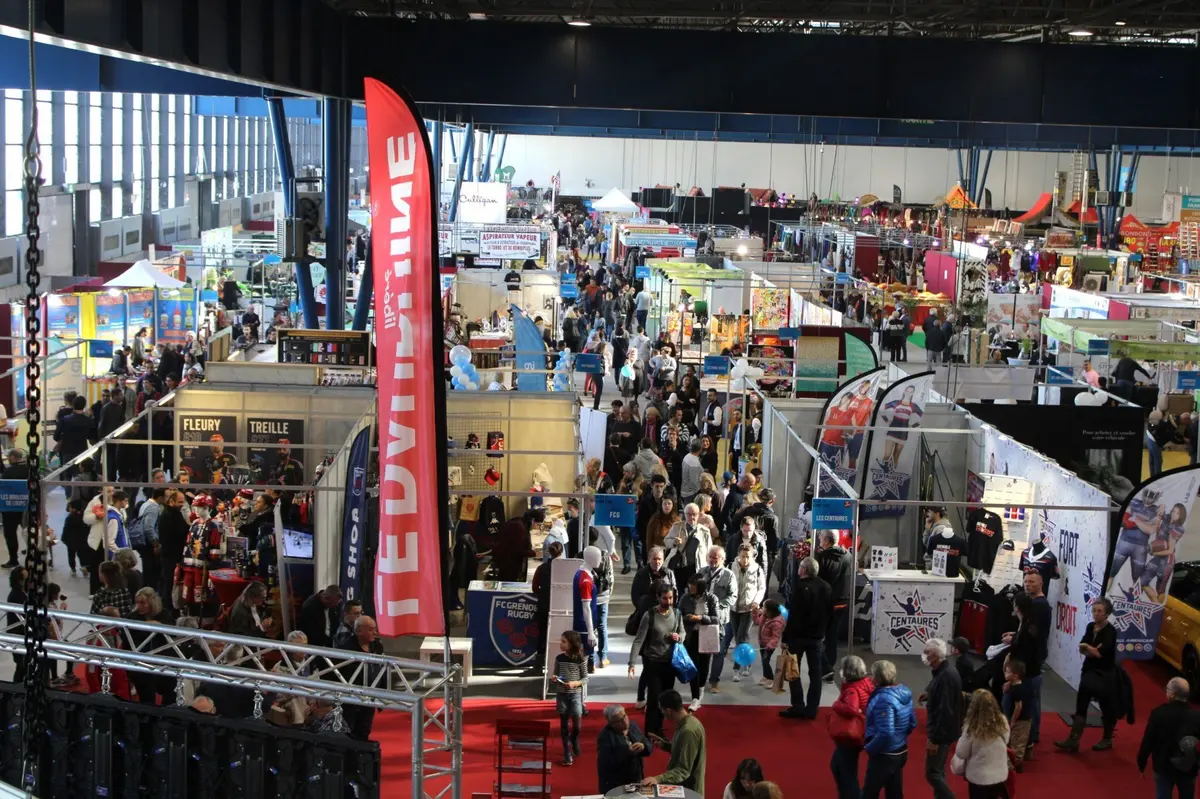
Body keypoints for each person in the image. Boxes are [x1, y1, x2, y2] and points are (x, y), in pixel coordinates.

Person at [1056, 597, 1120, 752]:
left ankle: (1107, 738)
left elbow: (1099, 653)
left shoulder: (1110, 631)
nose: (1096, 614)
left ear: (1107, 614)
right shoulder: (1091, 626)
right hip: (1089, 671)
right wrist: (1090, 649)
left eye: (1100, 611)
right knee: (1081, 704)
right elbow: (1083, 647)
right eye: (1094, 610)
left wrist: (1090, 649)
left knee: (1106, 706)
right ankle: (1074, 739)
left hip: (1105, 674)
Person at [628, 583, 682, 736]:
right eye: (665, 598)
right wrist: (631, 663)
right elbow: (639, 640)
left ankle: (659, 728)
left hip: (670, 664)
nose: (668, 601)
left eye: (671, 598)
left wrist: (679, 637)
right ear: (658, 598)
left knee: (665, 700)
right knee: (653, 699)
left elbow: (683, 633)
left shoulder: (677, 614)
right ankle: (650, 732)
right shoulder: (649, 615)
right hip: (653, 663)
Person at [781, 556, 831, 720]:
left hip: (799, 638)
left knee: (793, 671)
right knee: (815, 674)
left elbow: (794, 616)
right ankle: (812, 709)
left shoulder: (801, 588)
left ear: (803, 570)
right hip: (817, 638)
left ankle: (798, 705)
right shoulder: (826, 587)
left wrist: (786, 638)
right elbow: (831, 613)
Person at [862, 659, 917, 799]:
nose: (871, 677)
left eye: (873, 675)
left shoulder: (883, 700)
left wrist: (870, 747)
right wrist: (900, 738)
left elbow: (886, 732)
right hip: (900, 751)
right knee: (894, 792)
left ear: (878, 678)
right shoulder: (904, 692)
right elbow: (912, 723)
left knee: (869, 793)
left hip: (884, 755)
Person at [1137, 677, 1200, 799]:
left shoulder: (1158, 713)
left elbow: (1148, 741)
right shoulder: (1196, 717)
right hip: (1188, 768)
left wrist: (1141, 761)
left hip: (1163, 767)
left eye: (1168, 689)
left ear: (1172, 694)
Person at [921, 638, 964, 799]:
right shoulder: (945, 672)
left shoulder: (945, 677)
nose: (924, 655)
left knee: (932, 773)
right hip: (947, 730)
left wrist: (935, 739)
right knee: (938, 771)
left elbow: (944, 711)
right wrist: (930, 693)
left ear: (937, 656)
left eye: (928, 652)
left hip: (941, 733)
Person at [950, 689, 1012, 798]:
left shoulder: (971, 728)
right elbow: (1006, 741)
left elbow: (961, 753)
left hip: (978, 777)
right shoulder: (1002, 721)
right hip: (999, 775)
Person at [830, 655, 876, 799]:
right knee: (838, 766)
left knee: (846, 773)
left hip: (849, 738)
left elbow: (852, 708)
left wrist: (836, 705)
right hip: (859, 734)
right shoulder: (866, 684)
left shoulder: (851, 690)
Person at [641, 689, 706, 791]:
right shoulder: (688, 723)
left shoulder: (688, 731)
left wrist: (657, 779)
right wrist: (664, 745)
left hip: (688, 790)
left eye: (662, 710)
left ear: (668, 711)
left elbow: (683, 770)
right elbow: (684, 750)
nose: (662, 713)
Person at [815, 529, 854, 681]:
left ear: (826, 541)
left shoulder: (822, 557)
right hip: (843, 602)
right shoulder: (848, 556)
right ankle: (829, 667)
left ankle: (826, 667)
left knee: (818, 636)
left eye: (820, 538)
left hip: (827, 603)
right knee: (832, 637)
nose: (819, 540)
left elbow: (818, 582)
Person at [678, 572, 718, 711]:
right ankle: (695, 697)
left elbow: (716, 619)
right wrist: (688, 619)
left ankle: (700, 689)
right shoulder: (685, 598)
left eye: (693, 585)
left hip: (706, 634)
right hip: (691, 635)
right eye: (690, 585)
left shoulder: (711, 598)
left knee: (704, 665)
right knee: (692, 666)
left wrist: (700, 618)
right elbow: (678, 615)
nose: (691, 587)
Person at [339, 616, 383, 740]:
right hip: (350, 698)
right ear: (358, 631)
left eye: (375, 629)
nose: (375, 632)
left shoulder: (377, 646)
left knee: (365, 729)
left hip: (370, 696)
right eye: (370, 630)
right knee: (349, 730)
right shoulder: (345, 649)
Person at [698, 545, 736, 693]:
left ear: (722, 559)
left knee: (719, 652)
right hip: (703, 618)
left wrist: (716, 605)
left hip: (721, 619)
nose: (713, 560)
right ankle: (701, 680)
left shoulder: (729, 575)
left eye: (716, 557)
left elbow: (732, 597)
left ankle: (714, 680)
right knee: (703, 650)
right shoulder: (701, 572)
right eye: (711, 557)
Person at [727, 544, 765, 681]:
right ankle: (747, 662)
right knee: (741, 636)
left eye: (748, 557)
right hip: (733, 608)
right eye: (743, 556)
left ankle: (736, 668)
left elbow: (761, 587)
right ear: (738, 555)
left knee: (740, 638)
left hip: (748, 608)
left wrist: (756, 601)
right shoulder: (731, 567)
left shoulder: (757, 569)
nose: (745, 560)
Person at [597, 704, 654, 793]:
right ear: (612, 724)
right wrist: (627, 753)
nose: (625, 721)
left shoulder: (633, 726)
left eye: (625, 716)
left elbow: (646, 742)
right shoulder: (605, 737)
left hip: (636, 778)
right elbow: (606, 764)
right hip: (617, 783)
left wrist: (643, 746)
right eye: (620, 720)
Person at [553, 630, 589, 766]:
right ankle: (567, 753)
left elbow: (585, 678)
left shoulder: (580, 660)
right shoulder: (559, 659)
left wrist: (575, 683)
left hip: (575, 695)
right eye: (561, 641)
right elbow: (556, 674)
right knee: (563, 724)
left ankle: (573, 739)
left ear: (572, 644)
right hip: (561, 694)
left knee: (577, 725)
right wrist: (556, 679)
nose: (561, 644)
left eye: (564, 642)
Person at [1001, 658, 1033, 770]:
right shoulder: (1013, 685)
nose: (1005, 672)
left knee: (1018, 743)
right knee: (1011, 740)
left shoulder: (1018, 690)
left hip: (1021, 721)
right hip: (1015, 719)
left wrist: (1013, 721)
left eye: (1008, 672)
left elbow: (1018, 707)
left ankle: (1016, 764)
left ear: (1015, 676)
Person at [0, 449, 29, 567]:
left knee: (10, 534)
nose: (8, 459)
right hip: (26, 507)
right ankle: (34, 554)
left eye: (9, 457)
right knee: (30, 532)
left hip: (9, 507)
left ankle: (13, 559)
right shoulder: (29, 470)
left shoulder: (8, 472)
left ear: (13, 457)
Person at [751, 599, 785, 686]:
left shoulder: (777, 623)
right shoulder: (764, 616)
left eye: (764, 607)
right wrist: (755, 612)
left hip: (769, 646)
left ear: (769, 610)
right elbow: (757, 622)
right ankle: (765, 676)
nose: (762, 608)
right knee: (763, 660)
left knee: (765, 661)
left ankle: (770, 678)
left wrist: (770, 645)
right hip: (762, 643)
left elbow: (776, 636)